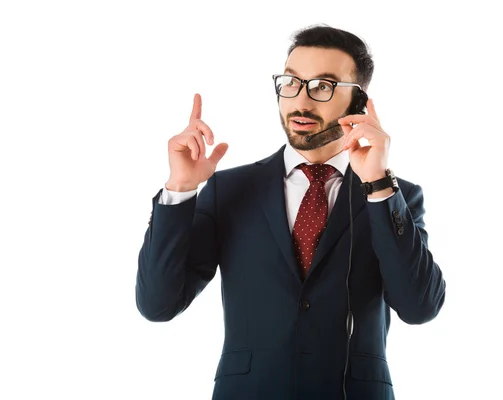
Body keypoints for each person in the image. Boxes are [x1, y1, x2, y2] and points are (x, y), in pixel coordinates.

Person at [136, 24, 446, 400]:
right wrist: (179, 189)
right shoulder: (230, 190)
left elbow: (420, 308)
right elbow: (157, 304)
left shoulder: (395, 195)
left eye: (322, 86)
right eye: (291, 82)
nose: (301, 100)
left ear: (359, 102)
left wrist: (379, 184)